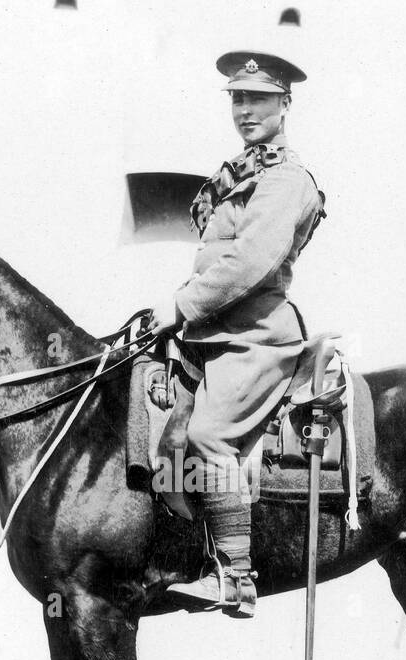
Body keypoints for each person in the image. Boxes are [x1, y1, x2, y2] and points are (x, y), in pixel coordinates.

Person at [152, 49, 326, 618]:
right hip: (209, 331)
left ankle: (236, 580)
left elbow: (249, 264)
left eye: (258, 98)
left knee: (207, 435)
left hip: (256, 335)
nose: (246, 109)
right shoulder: (240, 174)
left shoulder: (287, 180)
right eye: (237, 99)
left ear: (285, 103)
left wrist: (180, 303)